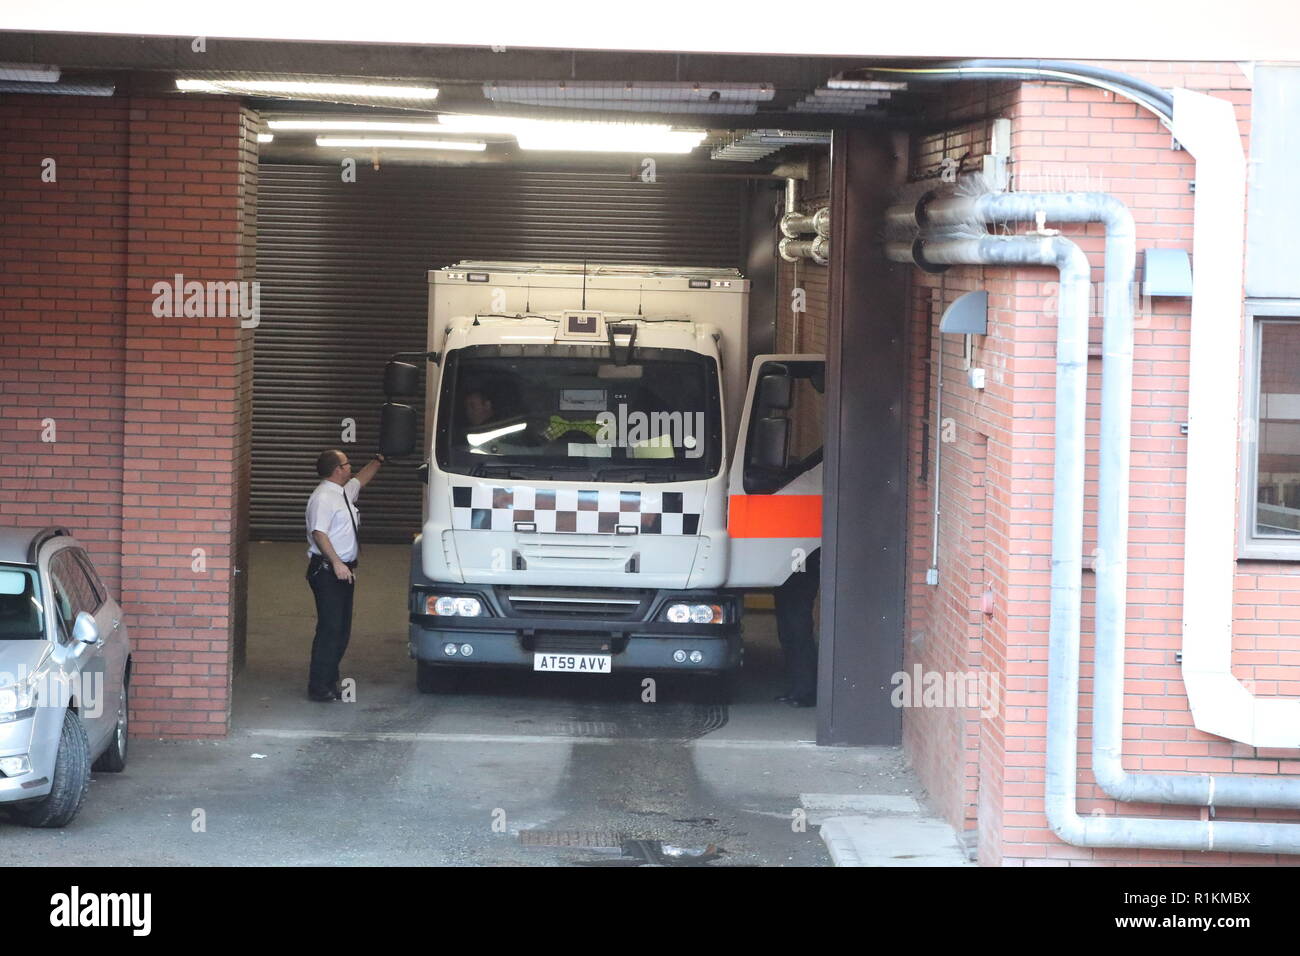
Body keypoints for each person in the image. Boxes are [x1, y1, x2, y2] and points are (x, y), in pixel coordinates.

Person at [304, 448, 384, 702]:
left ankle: (329, 680)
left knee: (341, 629)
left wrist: (379, 460)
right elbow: (319, 533)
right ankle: (319, 687)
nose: (351, 467)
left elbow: (361, 478)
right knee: (330, 628)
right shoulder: (323, 498)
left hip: (343, 571)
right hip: (328, 571)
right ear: (337, 470)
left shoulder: (342, 492)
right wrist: (337, 563)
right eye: (347, 463)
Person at [773, 548, 820, 707]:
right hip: (789, 578)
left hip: (799, 578)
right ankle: (797, 689)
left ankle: (806, 691)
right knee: (789, 632)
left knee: (798, 633)